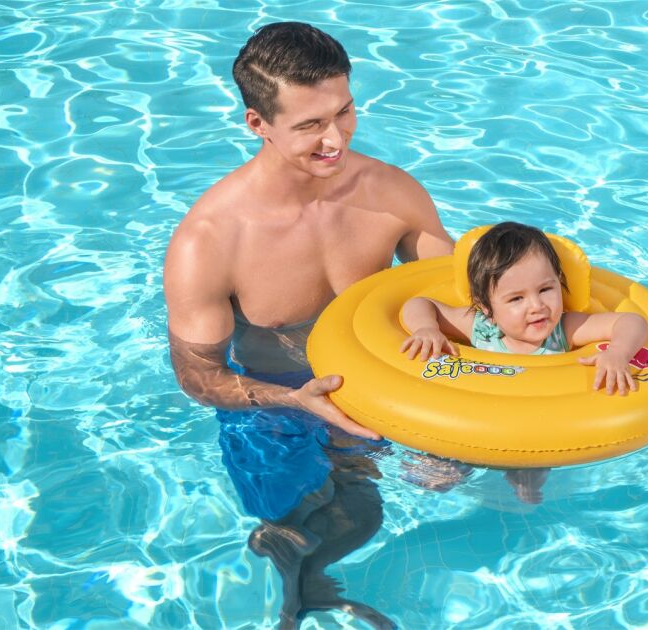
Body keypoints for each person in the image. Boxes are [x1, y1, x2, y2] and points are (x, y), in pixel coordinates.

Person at [162, 21, 452, 630]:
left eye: (344, 112)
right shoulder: (209, 240)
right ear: (257, 124)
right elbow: (197, 376)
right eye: (310, 125)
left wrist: (450, 431)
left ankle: (312, 588)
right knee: (295, 527)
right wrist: (294, 401)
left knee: (365, 515)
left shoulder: (392, 193)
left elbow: (463, 307)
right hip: (274, 410)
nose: (335, 139)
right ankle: (290, 593)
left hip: (375, 394)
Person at [398, 221, 648, 503]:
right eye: (517, 298)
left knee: (531, 479)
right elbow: (420, 304)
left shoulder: (563, 330)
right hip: (473, 422)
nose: (537, 306)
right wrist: (426, 328)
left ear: (559, 282)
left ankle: (524, 478)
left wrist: (618, 353)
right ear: (487, 307)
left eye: (545, 289)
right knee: (435, 478)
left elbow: (631, 321)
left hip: (532, 429)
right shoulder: (481, 328)